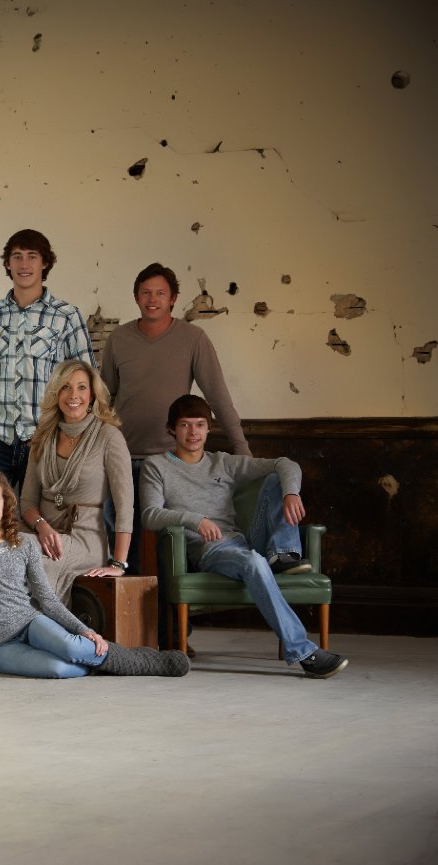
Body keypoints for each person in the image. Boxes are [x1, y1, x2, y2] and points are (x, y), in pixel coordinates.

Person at [140, 394, 349, 679]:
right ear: (171, 429)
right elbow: (150, 514)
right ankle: (303, 651)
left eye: (200, 424)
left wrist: (291, 493)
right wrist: (195, 520)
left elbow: (286, 463)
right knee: (253, 561)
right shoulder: (157, 466)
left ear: (209, 428)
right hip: (212, 550)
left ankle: (282, 555)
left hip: (244, 541)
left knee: (276, 478)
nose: (193, 432)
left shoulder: (223, 463)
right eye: (185, 425)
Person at [0, 470, 189, 678]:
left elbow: (47, 599)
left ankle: (145, 662)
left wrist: (86, 631)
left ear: (5, 504)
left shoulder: (24, 543)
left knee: (71, 647)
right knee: (59, 669)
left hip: (31, 623)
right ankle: (99, 663)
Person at [99, 261, 250, 579]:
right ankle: (129, 606)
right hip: (123, 456)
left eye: (160, 293)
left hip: (171, 461)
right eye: (145, 293)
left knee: (170, 544)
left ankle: (169, 610)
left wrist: (241, 447)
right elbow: (103, 398)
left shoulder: (193, 338)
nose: (152, 299)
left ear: (173, 299)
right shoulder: (119, 338)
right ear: (136, 297)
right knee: (122, 538)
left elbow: (218, 396)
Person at [0, 228, 95, 488]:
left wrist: (68, 433)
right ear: (7, 264)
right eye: (17, 256)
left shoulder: (66, 316)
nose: (24, 264)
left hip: (46, 441)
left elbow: (89, 381)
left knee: (45, 512)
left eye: (32, 256)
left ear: (45, 263)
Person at [19, 360, 134, 605]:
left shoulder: (109, 437)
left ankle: (37, 623)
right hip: (39, 533)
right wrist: (42, 526)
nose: (74, 395)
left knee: (24, 549)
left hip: (85, 539)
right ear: (56, 393)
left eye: (82, 387)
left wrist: (118, 564)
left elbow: (125, 506)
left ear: (92, 395)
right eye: (66, 387)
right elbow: (27, 502)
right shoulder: (43, 436)